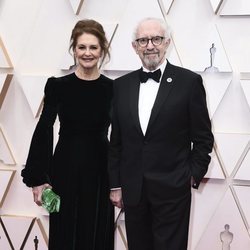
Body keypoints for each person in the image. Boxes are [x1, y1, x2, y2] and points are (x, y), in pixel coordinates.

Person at [108, 17, 214, 250]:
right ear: (134, 47)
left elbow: (203, 138)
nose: (150, 45)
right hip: (133, 192)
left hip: (173, 190)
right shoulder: (121, 86)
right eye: (143, 40)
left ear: (167, 43)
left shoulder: (189, 82)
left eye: (156, 39)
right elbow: (116, 141)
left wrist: (192, 175)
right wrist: (115, 185)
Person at [21, 19, 114, 250]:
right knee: (65, 234)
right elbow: (44, 127)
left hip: (100, 172)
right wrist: (38, 178)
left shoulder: (113, 89)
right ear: (74, 49)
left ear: (102, 49)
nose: (87, 53)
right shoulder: (58, 86)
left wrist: (121, 180)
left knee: (96, 235)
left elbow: (122, 135)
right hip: (65, 170)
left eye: (93, 47)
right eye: (82, 47)